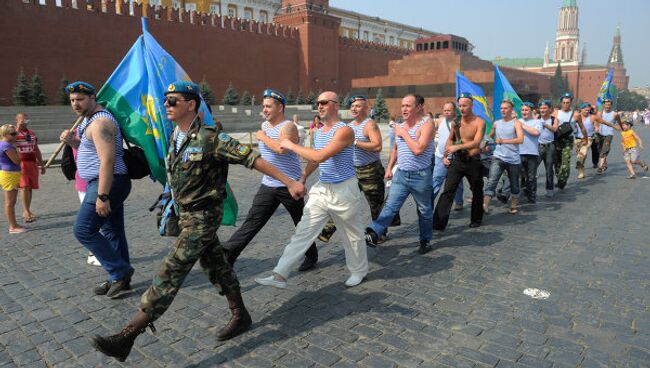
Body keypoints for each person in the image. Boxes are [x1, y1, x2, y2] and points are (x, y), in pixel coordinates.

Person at [91, 81, 305, 362]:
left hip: (204, 217)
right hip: (185, 214)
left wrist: (290, 181)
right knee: (217, 266)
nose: (166, 105)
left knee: (172, 269)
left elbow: (252, 160)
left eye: (173, 101)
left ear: (191, 104)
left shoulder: (211, 138)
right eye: (165, 100)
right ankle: (240, 315)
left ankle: (128, 336)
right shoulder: (174, 137)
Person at [255, 91, 369, 288]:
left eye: (324, 102)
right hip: (323, 188)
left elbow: (319, 156)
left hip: (345, 190)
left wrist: (290, 144)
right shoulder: (320, 131)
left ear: (335, 104)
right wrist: (303, 177)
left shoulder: (344, 131)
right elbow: (314, 161)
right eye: (317, 103)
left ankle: (358, 271)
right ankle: (279, 275)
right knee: (303, 231)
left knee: (352, 235)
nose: (320, 106)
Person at [222, 89, 318, 271]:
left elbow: (281, 149)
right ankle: (228, 254)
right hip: (269, 184)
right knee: (253, 221)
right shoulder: (265, 126)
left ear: (280, 107)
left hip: (290, 186)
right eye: (263, 106)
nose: (264, 110)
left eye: (268, 106)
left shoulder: (288, 127)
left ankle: (311, 255)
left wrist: (262, 137)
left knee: (301, 224)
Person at [59, 82, 134, 299]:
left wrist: (102, 195)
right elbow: (90, 150)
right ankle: (120, 280)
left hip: (107, 183)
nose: (75, 104)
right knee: (112, 231)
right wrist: (74, 142)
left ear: (93, 98)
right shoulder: (88, 121)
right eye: (72, 100)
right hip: (104, 183)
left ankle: (119, 271)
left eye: (80, 99)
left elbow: (108, 160)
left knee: (83, 230)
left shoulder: (100, 122)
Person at [364, 94, 435, 255]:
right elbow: (396, 149)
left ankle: (425, 240)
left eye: (408, 106)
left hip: (421, 176)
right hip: (401, 174)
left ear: (418, 107)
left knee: (424, 210)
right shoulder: (400, 126)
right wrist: (389, 167)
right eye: (402, 105)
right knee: (390, 206)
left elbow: (418, 149)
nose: (404, 109)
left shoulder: (427, 124)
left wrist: (403, 133)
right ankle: (374, 234)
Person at [318, 95, 385, 243]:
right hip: (353, 171)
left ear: (366, 107)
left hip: (370, 171)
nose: (354, 109)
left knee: (375, 205)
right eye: (352, 106)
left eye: (358, 106)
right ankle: (327, 230)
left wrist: (355, 142)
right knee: (344, 201)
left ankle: (379, 231)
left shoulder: (370, 124)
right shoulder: (349, 126)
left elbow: (377, 146)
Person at [432, 93, 485, 229]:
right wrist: (448, 149)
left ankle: (476, 219)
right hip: (458, 161)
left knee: (477, 190)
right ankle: (438, 223)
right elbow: (451, 138)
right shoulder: (456, 121)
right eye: (460, 106)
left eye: (464, 105)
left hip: (473, 160)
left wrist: (457, 146)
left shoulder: (480, 122)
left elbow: (476, 142)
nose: (462, 108)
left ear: (471, 105)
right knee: (448, 191)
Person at [60, 125, 98, 266]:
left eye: (79, 100)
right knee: (91, 221)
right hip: (84, 183)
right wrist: (70, 141)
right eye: (73, 100)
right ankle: (92, 253)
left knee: (104, 222)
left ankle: (103, 251)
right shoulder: (75, 131)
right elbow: (81, 152)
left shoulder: (99, 125)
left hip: (101, 181)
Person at [483, 100, 524, 215]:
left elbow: (521, 139)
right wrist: (485, 144)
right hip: (498, 157)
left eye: (506, 108)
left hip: (513, 159)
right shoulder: (497, 123)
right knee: (492, 180)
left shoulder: (516, 123)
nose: (503, 110)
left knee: (514, 183)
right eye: (501, 108)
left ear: (511, 110)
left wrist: (504, 141)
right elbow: (490, 136)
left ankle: (513, 205)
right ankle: (485, 205)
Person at [431, 102, 464, 213]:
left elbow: (459, 140)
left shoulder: (459, 123)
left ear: (454, 111)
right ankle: (428, 202)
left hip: (455, 158)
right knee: (436, 180)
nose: (446, 112)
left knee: (457, 182)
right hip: (440, 156)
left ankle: (459, 202)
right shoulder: (440, 121)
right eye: (444, 110)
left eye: (449, 110)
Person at [14, 113, 45, 223]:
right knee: (24, 186)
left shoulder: (31, 133)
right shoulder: (13, 133)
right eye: (22, 119)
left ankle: (28, 209)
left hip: (32, 163)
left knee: (30, 187)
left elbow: (36, 148)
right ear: (17, 120)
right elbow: (7, 143)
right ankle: (26, 211)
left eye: (26, 119)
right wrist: (17, 128)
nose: (25, 121)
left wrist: (41, 164)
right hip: (21, 163)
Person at [552, 93, 587, 189]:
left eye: (568, 102)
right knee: (557, 162)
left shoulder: (576, 114)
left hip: (568, 140)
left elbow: (582, 128)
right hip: (556, 139)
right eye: (564, 102)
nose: (565, 104)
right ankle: (560, 178)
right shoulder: (555, 113)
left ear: (571, 102)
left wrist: (585, 138)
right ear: (561, 102)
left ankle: (563, 180)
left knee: (566, 162)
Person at [0, 124, 26, 234]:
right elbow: (17, 160)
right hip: (9, 174)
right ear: (5, 135)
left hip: (10, 173)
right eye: (13, 134)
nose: (16, 135)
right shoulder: (6, 146)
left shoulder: (4, 144)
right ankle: (12, 226)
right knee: (10, 202)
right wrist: (17, 149)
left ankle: (14, 224)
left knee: (12, 201)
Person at [574, 102, 606, 179]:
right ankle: (581, 172)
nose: (587, 111)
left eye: (588, 110)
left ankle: (580, 162)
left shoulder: (592, 117)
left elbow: (596, 126)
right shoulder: (577, 117)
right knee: (581, 156)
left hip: (588, 138)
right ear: (581, 110)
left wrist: (597, 129)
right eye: (585, 110)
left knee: (582, 154)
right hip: (577, 139)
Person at [518, 102, 543, 203]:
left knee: (531, 177)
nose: (524, 112)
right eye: (522, 110)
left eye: (526, 110)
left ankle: (531, 196)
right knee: (516, 175)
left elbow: (536, 132)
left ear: (531, 111)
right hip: (519, 153)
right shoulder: (517, 121)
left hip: (532, 154)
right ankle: (514, 196)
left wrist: (522, 126)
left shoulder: (537, 122)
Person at [537, 100, 558, 197]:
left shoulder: (554, 119)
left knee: (549, 169)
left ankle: (550, 188)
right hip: (537, 146)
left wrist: (545, 125)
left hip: (550, 146)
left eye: (545, 108)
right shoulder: (536, 118)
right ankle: (527, 187)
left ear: (549, 109)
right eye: (541, 108)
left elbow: (555, 129)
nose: (542, 110)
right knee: (531, 168)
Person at [594, 98, 622, 173]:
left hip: (609, 134)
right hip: (599, 133)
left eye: (609, 104)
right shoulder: (600, 113)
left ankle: (600, 167)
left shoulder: (614, 114)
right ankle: (604, 164)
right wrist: (596, 127)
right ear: (603, 105)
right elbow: (596, 121)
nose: (607, 106)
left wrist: (622, 128)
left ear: (611, 105)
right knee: (600, 151)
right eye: (606, 104)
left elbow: (619, 122)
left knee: (604, 150)